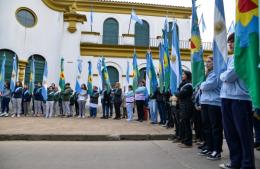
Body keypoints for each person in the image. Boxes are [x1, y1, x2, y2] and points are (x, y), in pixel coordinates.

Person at [219, 33, 255, 169]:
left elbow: (229, 76)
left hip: (240, 99)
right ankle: (235, 162)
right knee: (230, 133)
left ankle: (247, 165)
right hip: (226, 97)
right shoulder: (229, 58)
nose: (230, 44)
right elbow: (222, 74)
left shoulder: (243, 56)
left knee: (243, 134)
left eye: (233, 41)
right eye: (229, 42)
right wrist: (222, 74)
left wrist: (222, 75)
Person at [198, 55, 223, 160]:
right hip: (205, 102)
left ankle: (217, 151)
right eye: (206, 62)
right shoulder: (208, 74)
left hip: (214, 103)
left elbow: (208, 86)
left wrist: (201, 84)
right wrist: (203, 84)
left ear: (214, 63)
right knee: (207, 127)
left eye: (209, 62)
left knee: (215, 128)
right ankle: (209, 147)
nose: (207, 64)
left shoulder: (216, 73)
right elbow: (204, 86)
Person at [175, 70, 193, 148]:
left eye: (183, 74)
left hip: (186, 105)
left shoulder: (188, 85)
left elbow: (180, 94)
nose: (182, 75)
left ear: (187, 75)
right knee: (183, 123)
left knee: (187, 124)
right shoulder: (183, 84)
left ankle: (188, 142)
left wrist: (176, 93)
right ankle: (184, 140)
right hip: (182, 105)